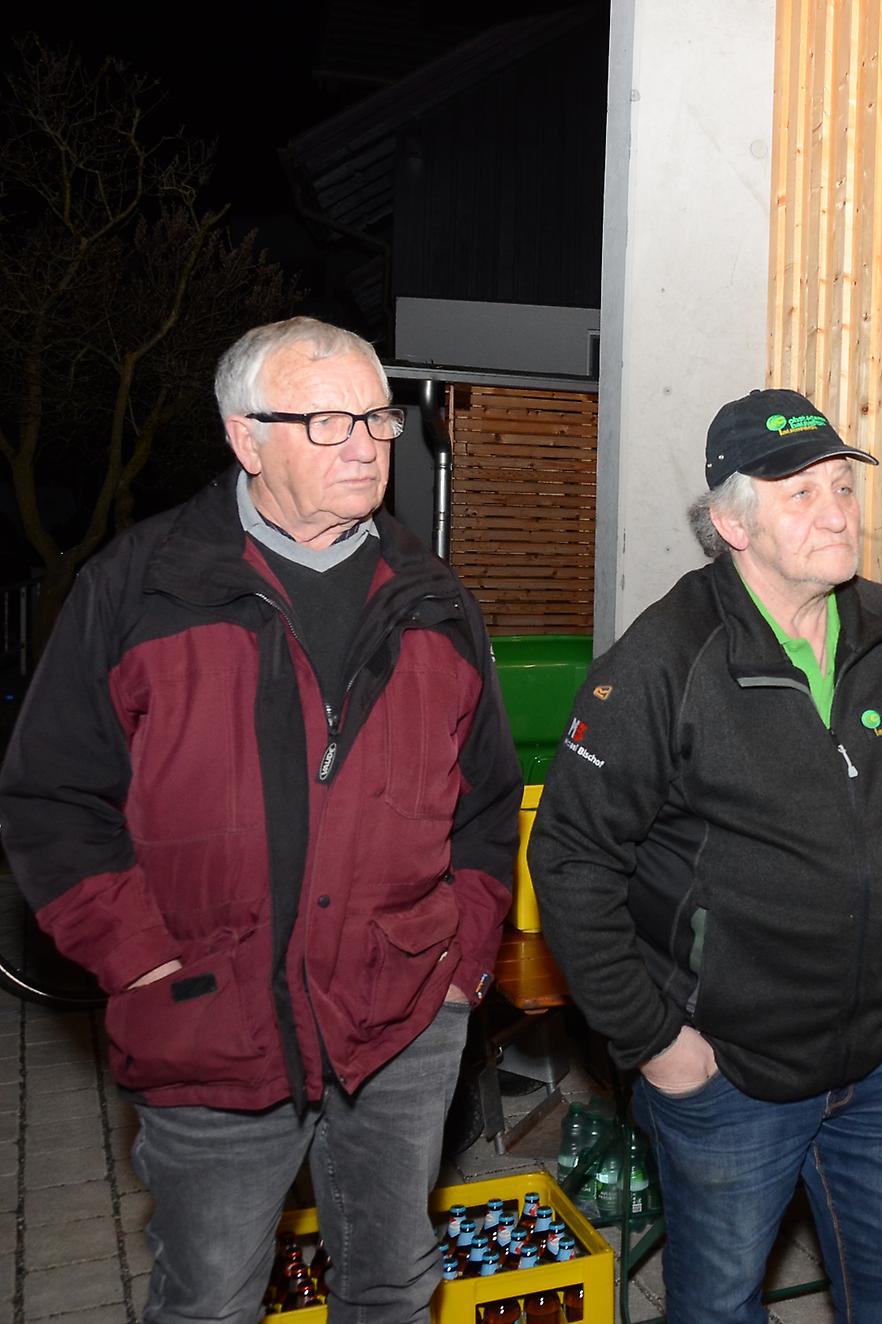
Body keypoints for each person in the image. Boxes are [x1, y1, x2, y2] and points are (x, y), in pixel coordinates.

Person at [0, 317, 520, 1321]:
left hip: (403, 1024)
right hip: (211, 1022)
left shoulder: (432, 599)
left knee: (394, 1287)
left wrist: (459, 967)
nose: (364, 444)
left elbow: (488, 804)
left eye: (376, 417)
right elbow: (52, 797)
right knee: (210, 1301)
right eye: (327, 421)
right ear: (245, 437)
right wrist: (141, 962)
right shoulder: (142, 589)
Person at [526, 390, 882, 1323]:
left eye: (842, 486)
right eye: (800, 494)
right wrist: (656, 1043)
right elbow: (569, 858)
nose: (836, 512)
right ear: (731, 524)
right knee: (721, 1304)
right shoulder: (663, 659)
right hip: (732, 1072)